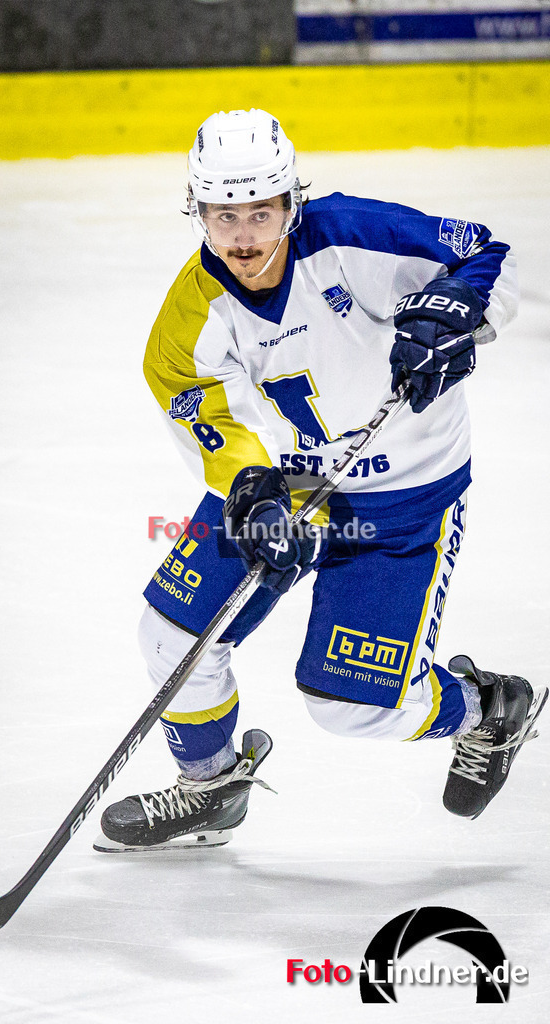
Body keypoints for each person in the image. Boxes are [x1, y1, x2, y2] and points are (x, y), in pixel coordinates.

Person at [96, 109, 547, 853]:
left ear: (290, 203)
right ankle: (211, 786)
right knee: (171, 634)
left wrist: (454, 313)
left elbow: (483, 253)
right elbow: (206, 412)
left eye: (260, 213)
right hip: (293, 491)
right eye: (222, 215)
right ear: (198, 211)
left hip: (406, 495)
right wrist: (253, 492)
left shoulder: (351, 236)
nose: (242, 235)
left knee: (349, 707)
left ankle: (487, 707)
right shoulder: (191, 314)